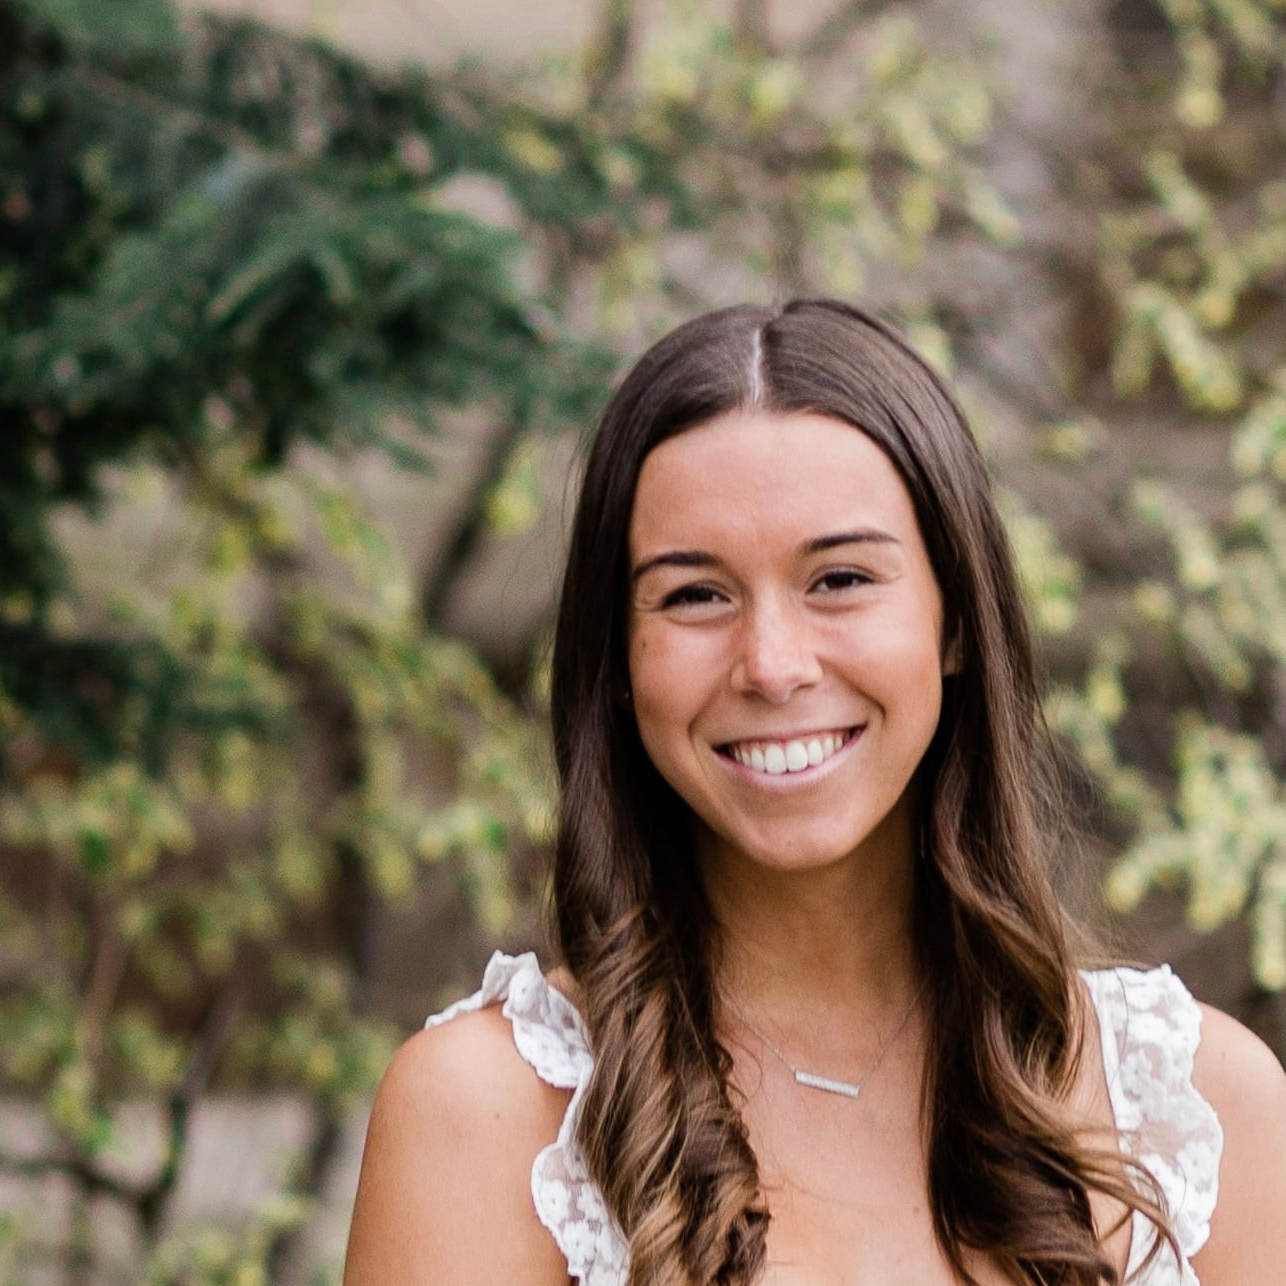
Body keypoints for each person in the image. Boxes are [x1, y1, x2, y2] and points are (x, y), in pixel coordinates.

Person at [343, 300, 1286, 1284]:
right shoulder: (488, 1110)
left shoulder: (1199, 1111)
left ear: (954, 621)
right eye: (695, 594)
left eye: (837, 578)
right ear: (619, 660)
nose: (771, 664)